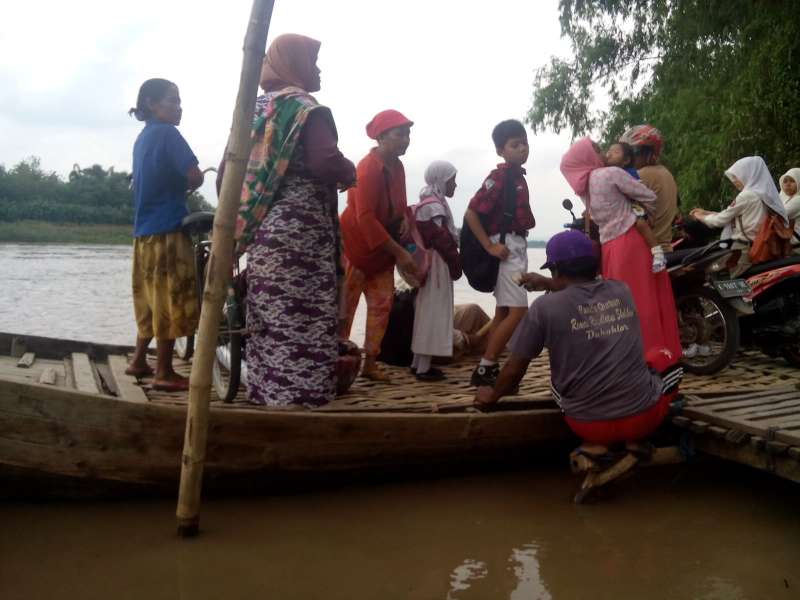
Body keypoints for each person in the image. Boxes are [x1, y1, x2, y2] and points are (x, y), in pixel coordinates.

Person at [474, 230, 682, 458]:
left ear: (556, 270)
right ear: (594, 264)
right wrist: (550, 283)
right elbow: (585, 291)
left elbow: (514, 371)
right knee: (663, 355)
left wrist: (492, 396)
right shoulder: (622, 290)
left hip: (587, 423)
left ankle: (598, 445)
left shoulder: (543, 308)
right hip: (643, 419)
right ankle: (633, 442)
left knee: (557, 384)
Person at [235, 34, 356, 407]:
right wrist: (349, 170)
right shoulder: (307, 110)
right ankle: (299, 400)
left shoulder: (254, 110)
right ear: (296, 64)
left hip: (263, 230)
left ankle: (265, 393)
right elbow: (324, 161)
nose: (318, 70)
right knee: (306, 315)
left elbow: (228, 172)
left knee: (269, 313)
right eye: (313, 62)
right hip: (300, 232)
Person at [560, 137, 682, 358]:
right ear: (587, 157)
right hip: (630, 242)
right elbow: (648, 195)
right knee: (643, 300)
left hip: (610, 248)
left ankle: (625, 355)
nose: (602, 154)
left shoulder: (584, 188)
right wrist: (640, 208)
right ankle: (653, 352)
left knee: (618, 307)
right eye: (596, 151)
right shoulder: (611, 174)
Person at [125, 78, 204, 392]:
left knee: (149, 299)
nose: (178, 106)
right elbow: (195, 176)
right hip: (169, 230)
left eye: (179, 100)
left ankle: (139, 359)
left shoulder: (143, 139)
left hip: (143, 234)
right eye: (172, 100)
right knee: (171, 299)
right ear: (151, 104)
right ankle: (164, 372)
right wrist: (186, 187)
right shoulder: (169, 134)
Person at [340, 109, 418, 383]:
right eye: (400, 134)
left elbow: (401, 203)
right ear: (383, 136)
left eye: (408, 134)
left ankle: (370, 362)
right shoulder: (367, 168)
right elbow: (365, 217)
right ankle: (335, 361)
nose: (406, 139)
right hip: (356, 249)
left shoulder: (398, 167)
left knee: (382, 306)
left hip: (382, 251)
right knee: (344, 310)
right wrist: (399, 253)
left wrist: (406, 219)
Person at [465, 119, 536, 387]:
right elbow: (471, 213)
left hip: (515, 245)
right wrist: (489, 246)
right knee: (519, 311)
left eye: (524, 143)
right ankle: (486, 367)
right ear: (501, 151)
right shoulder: (499, 177)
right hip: (506, 248)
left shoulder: (516, 177)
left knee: (504, 312)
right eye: (514, 145)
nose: (522, 149)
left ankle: (488, 365)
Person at [690, 156, 787, 276]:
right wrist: (707, 212)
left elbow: (719, 221)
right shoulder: (766, 195)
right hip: (765, 247)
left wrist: (699, 216)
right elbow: (734, 215)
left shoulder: (746, 196)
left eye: (737, 176)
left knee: (739, 288)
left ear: (749, 173)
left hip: (744, 251)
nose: (734, 181)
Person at [410, 161, 462, 381]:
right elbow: (442, 239)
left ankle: (418, 363)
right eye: (452, 180)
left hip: (430, 265)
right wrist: (456, 264)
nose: (456, 185)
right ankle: (423, 368)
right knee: (435, 312)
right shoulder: (435, 207)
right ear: (441, 179)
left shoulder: (428, 203)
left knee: (426, 311)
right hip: (438, 266)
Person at [619, 125, 679, 254]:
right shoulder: (665, 172)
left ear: (646, 153)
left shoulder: (640, 176)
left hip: (646, 251)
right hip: (665, 247)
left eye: (632, 153)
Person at [605, 141, 665, 272]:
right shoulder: (608, 173)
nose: (609, 154)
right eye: (608, 151)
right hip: (625, 206)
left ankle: (658, 253)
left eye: (615, 152)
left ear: (626, 160)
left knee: (640, 223)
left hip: (634, 204)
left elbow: (636, 190)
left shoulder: (629, 172)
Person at [779, 167, 800, 254]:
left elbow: (780, 214)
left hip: (797, 248)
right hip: (789, 247)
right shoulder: (782, 198)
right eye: (785, 181)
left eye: (792, 181)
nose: (788, 184)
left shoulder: (798, 200)